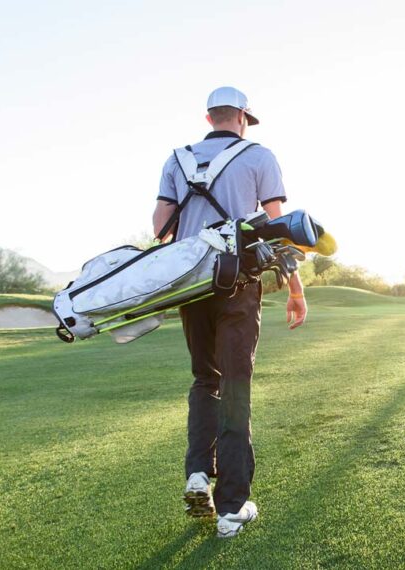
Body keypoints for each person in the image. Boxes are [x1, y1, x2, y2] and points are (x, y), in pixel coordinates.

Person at [152, 86, 308, 538]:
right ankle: (230, 509)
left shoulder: (176, 159)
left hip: (191, 283)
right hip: (238, 282)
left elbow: (161, 229)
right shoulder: (260, 155)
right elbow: (279, 227)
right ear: (241, 117)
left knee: (206, 379)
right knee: (236, 384)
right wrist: (296, 288)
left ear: (208, 118)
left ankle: (198, 472)